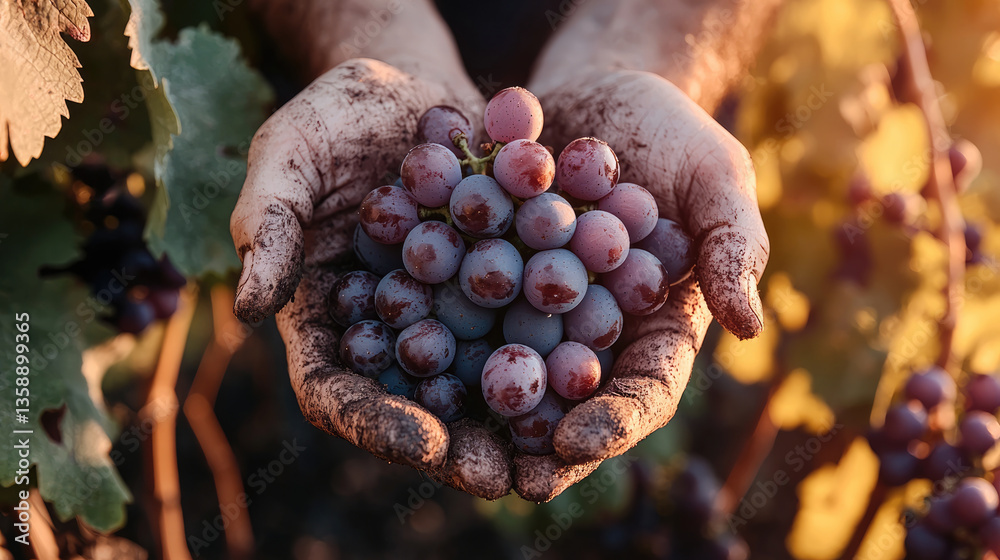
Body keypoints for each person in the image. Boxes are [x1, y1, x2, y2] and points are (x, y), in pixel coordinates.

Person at [229, 0, 775, 501]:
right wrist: (376, 41)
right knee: (331, 412)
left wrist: (634, 51)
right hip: (348, 83)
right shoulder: (460, 218)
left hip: (638, 45)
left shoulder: (543, 231)